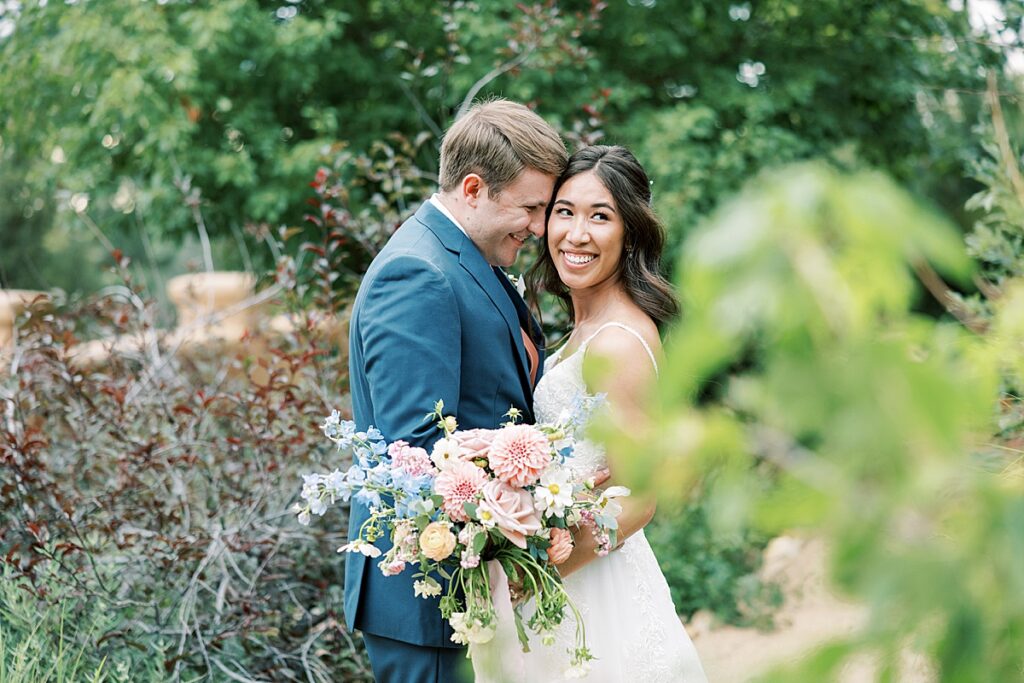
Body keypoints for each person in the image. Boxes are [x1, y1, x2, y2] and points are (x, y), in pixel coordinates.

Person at [345, 99, 567, 683]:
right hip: (431, 596)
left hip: (472, 587)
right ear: (473, 188)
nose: (540, 229)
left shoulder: (468, 257)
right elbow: (416, 450)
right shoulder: (418, 273)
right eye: (530, 208)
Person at [474, 145, 709, 682]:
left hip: (595, 593)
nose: (576, 234)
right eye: (565, 212)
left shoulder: (618, 343)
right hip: (568, 578)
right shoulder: (586, 330)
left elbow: (640, 498)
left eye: (600, 216)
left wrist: (537, 572)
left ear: (629, 233)